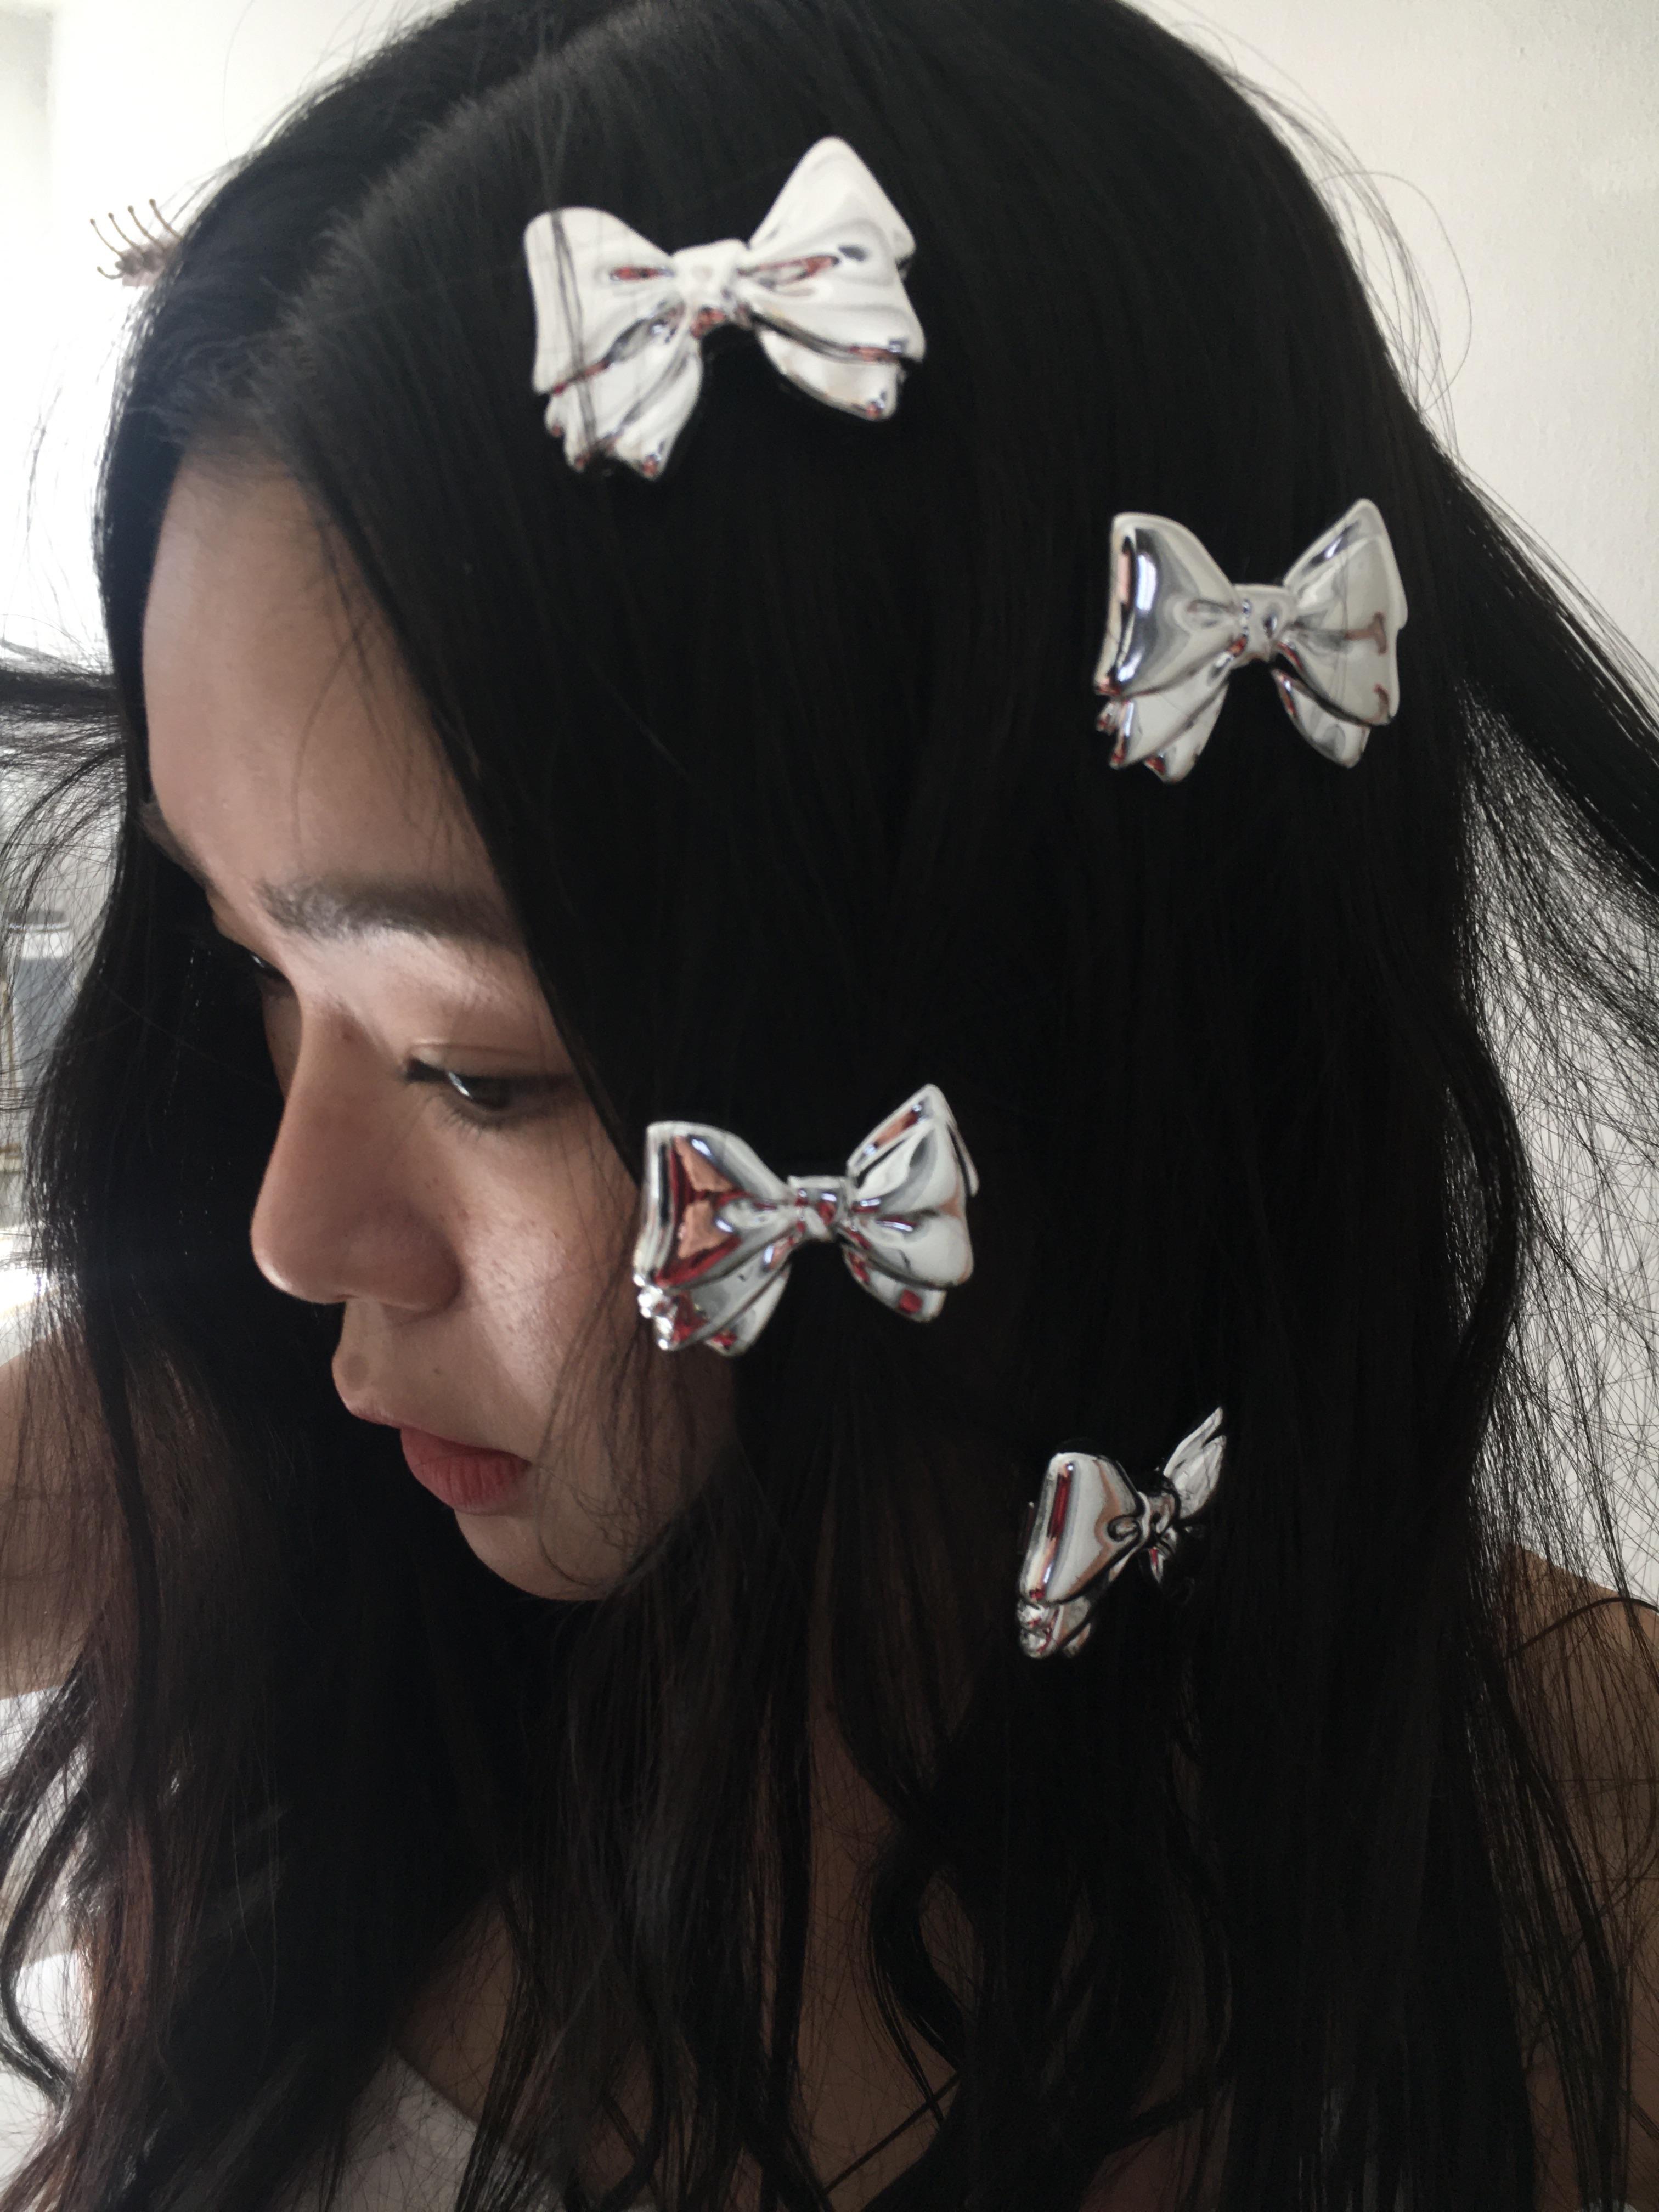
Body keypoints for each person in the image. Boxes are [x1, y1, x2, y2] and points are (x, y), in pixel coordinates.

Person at [0, 0, 1655, 2205]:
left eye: (480, 1067)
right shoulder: (258, 1543)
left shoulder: (1586, 1871)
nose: (291, 1235)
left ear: (1054, 989)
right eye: (249, 975)